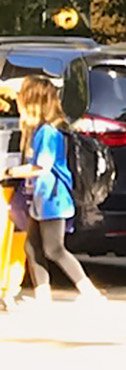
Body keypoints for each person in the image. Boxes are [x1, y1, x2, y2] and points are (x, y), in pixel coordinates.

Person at [5, 75, 101, 303]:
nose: (18, 101)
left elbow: (42, 166)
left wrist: (10, 173)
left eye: (22, 97)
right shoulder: (41, 131)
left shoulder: (47, 132)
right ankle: (43, 296)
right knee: (32, 247)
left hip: (53, 199)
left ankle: (91, 293)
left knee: (54, 249)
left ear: (32, 102)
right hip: (42, 199)